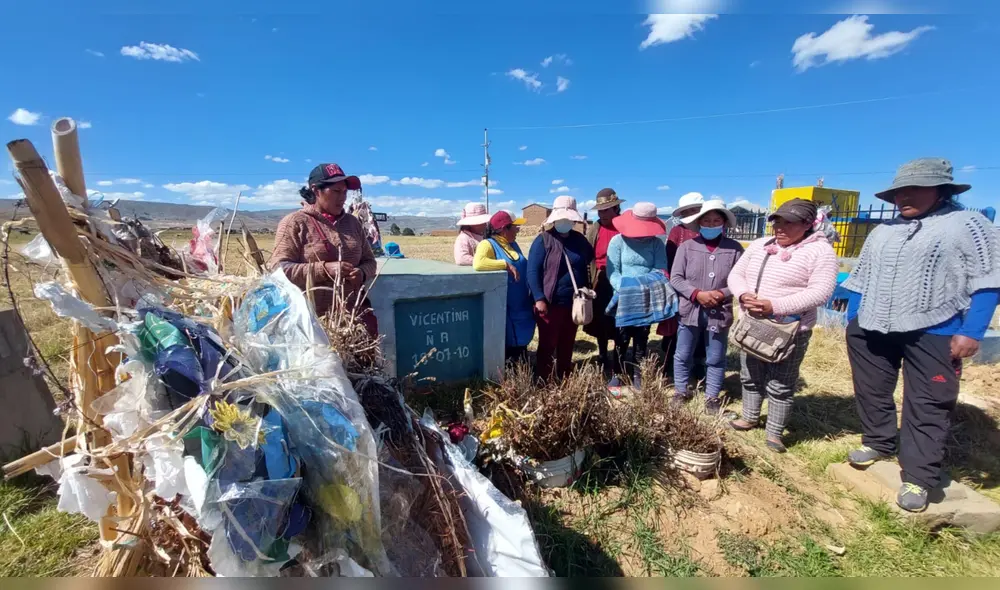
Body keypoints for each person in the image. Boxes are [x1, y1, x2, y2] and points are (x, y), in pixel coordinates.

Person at [840, 158, 1000, 513]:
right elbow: (861, 278)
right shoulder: (884, 230)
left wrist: (972, 330)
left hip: (935, 327)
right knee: (871, 388)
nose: (904, 197)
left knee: (929, 401)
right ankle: (878, 440)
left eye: (915, 189)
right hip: (872, 326)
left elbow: (988, 280)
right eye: (899, 192)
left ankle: (918, 474)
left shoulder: (967, 225)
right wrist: (853, 320)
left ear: (941, 190)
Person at [727, 199, 839, 453]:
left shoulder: (820, 252)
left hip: (789, 330)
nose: (780, 227)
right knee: (750, 374)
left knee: (781, 383)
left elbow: (820, 293)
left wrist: (774, 305)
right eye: (777, 220)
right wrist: (743, 295)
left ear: (807, 225)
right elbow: (736, 274)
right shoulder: (760, 245)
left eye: (789, 222)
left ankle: (775, 432)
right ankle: (749, 416)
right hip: (753, 322)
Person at [270, 163, 378, 337]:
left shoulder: (353, 223)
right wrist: (324, 269)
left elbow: (370, 262)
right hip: (311, 323)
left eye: (345, 192)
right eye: (336, 191)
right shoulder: (295, 222)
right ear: (316, 190)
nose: (342, 198)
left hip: (352, 321)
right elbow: (277, 270)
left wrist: (361, 273)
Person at [670, 200, 744, 414]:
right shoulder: (686, 247)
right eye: (707, 221)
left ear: (723, 224)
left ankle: (712, 397)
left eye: (716, 221)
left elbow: (740, 278)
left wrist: (722, 293)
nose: (711, 225)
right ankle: (680, 390)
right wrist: (697, 294)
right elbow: (676, 277)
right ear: (699, 222)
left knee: (715, 356)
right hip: (690, 310)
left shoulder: (734, 249)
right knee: (683, 353)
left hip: (719, 312)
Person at [605, 202, 674, 394]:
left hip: (646, 298)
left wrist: (641, 289)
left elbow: (660, 270)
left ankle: (638, 375)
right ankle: (617, 374)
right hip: (622, 298)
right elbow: (612, 271)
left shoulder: (656, 244)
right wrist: (626, 289)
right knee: (621, 338)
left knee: (641, 339)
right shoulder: (617, 242)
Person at [527, 196, 595, 380]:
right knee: (548, 345)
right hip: (550, 304)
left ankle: (564, 379)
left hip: (573, 303)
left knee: (567, 343)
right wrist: (539, 298)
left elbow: (589, 260)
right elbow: (532, 271)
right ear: (554, 219)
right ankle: (544, 381)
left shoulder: (579, 240)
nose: (564, 222)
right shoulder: (543, 240)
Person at [473, 210, 534, 364]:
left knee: (522, 340)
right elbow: (478, 263)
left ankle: (522, 369)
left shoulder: (512, 244)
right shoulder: (487, 244)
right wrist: (504, 264)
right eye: (514, 227)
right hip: (506, 305)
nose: (518, 230)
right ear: (503, 229)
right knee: (509, 342)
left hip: (521, 303)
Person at [659, 192, 707, 378]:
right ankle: (670, 360)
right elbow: (669, 258)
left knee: (702, 326)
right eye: (687, 210)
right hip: (679, 285)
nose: (691, 213)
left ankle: (698, 362)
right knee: (675, 325)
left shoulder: (710, 228)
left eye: (694, 209)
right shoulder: (677, 231)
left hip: (705, 287)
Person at [584, 188, 625, 374]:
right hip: (599, 280)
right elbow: (588, 254)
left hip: (621, 281)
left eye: (606, 210)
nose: (602, 214)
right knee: (601, 319)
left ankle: (620, 354)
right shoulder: (596, 228)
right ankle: (602, 354)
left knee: (619, 319)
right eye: (600, 211)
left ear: (616, 208)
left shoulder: (624, 226)